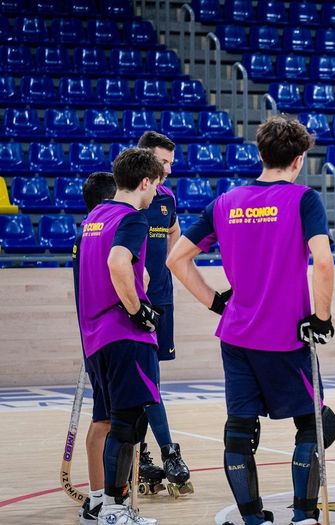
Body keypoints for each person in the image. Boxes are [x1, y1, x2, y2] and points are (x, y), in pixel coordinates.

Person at [167, 116, 335, 525]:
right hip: (287, 338)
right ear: (298, 160)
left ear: (260, 154)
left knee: (240, 432)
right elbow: (324, 263)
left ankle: (252, 519)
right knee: (315, 426)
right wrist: (321, 318)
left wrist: (214, 301)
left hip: (237, 336)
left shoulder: (224, 202)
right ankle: (303, 516)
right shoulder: (302, 199)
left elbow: (176, 259)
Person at [77, 149, 165, 525]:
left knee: (114, 420)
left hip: (95, 337)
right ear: (145, 182)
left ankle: (103, 505)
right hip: (124, 334)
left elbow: (110, 268)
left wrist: (133, 282)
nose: (157, 192)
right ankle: (114, 510)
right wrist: (137, 309)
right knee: (128, 423)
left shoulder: (94, 218)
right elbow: (117, 263)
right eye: (157, 184)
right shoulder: (133, 218)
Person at [133, 131, 190, 493]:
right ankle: (165, 453)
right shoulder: (124, 197)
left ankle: (139, 456)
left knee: (148, 381)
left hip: (161, 300)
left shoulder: (167, 197)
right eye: (162, 162)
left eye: (171, 162)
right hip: (134, 305)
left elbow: (175, 237)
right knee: (146, 381)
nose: (168, 169)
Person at [73, 172, 117, 525]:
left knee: (106, 418)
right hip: (106, 336)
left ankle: (99, 498)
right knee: (106, 420)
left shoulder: (85, 232)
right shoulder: (102, 234)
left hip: (92, 335)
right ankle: (100, 501)